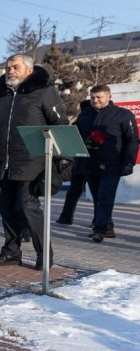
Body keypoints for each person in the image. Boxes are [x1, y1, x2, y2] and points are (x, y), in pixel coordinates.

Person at [0, 55, 68, 271]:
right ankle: (11, 251)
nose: (9, 70)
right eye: (8, 67)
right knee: (6, 208)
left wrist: (63, 158)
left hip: (32, 161)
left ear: (29, 70)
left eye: (14, 67)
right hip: (3, 162)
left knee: (28, 207)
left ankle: (44, 255)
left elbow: (60, 123)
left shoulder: (44, 91)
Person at [75, 85, 138, 242]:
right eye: (93, 97)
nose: (95, 100)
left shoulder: (123, 115)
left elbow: (132, 140)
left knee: (105, 197)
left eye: (99, 97)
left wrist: (128, 162)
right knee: (97, 197)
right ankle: (108, 228)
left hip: (112, 164)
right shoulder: (84, 116)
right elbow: (76, 136)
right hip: (90, 163)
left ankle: (100, 229)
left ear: (109, 97)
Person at [56, 100, 91, 226]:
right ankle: (99, 221)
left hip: (79, 162)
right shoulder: (97, 120)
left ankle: (66, 217)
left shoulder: (78, 122)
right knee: (99, 194)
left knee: (73, 192)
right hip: (93, 162)